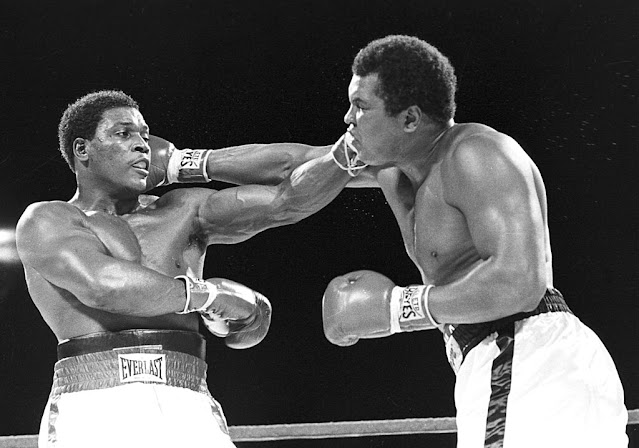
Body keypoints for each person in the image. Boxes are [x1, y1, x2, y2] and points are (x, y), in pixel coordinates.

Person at [320, 35, 628, 447]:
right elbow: (291, 165)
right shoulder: (398, 173)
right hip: (527, 366)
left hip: (522, 356)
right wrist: (203, 163)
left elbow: (518, 283)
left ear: (410, 118)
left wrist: (395, 308)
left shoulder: (476, 154)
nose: (348, 118)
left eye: (361, 106)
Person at [15, 90, 356, 448]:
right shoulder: (48, 219)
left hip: (188, 399)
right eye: (123, 134)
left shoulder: (182, 210)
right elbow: (104, 286)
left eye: (145, 136)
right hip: (96, 403)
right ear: (82, 149)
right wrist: (209, 296)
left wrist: (349, 152)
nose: (142, 146)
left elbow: (287, 200)